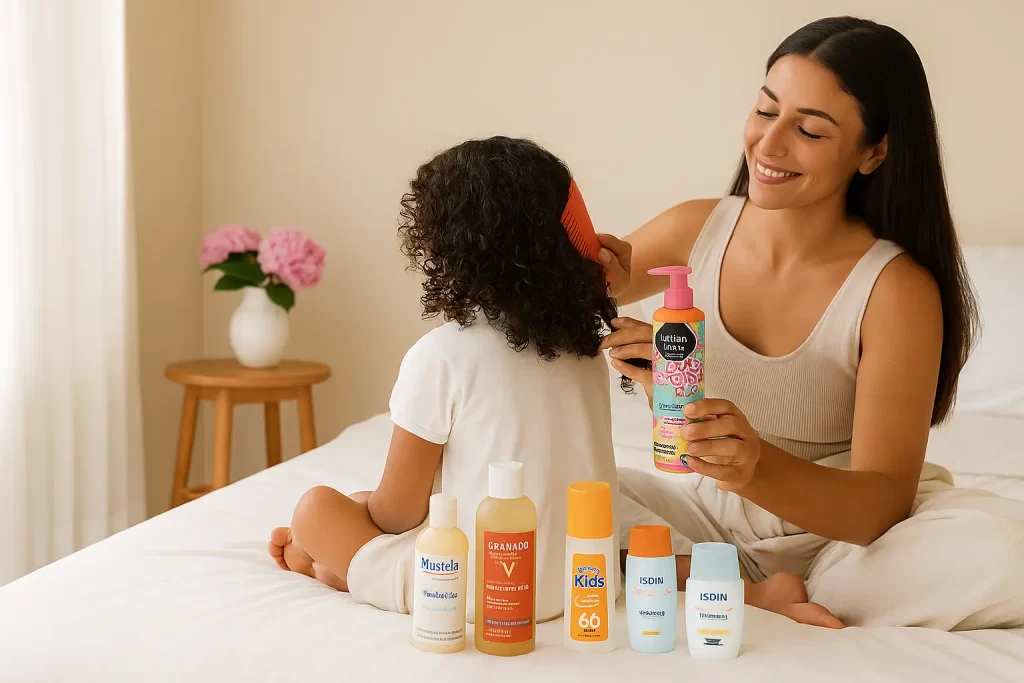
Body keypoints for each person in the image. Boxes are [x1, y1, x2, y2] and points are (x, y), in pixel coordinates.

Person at [601, 16, 1024, 631]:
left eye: (809, 130)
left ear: (874, 151)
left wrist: (754, 466)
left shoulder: (895, 289)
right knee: (534, 492)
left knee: (1006, 554)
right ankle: (751, 593)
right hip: (708, 515)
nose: (769, 146)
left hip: (850, 544)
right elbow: (568, 294)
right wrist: (600, 301)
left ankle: (717, 580)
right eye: (765, 111)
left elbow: (880, 505)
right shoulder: (695, 229)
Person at [268, 136, 620, 622]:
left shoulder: (442, 356)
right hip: (583, 581)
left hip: (482, 593)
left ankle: (333, 568)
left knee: (316, 511)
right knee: (358, 506)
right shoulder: (585, 350)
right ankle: (337, 561)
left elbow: (397, 515)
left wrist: (360, 508)